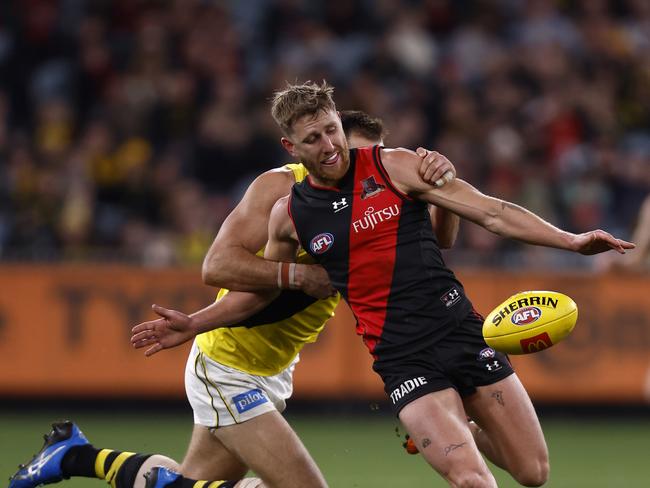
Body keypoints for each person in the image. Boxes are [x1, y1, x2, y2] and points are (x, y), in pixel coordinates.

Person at [132, 81, 634, 488]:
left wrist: (570, 241)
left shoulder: (397, 166)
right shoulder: (288, 214)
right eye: (313, 139)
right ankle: (438, 428)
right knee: (474, 482)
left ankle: (463, 429)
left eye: (331, 131)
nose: (328, 146)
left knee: (533, 473)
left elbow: (494, 213)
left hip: (463, 331)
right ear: (291, 146)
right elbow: (263, 296)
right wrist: (194, 323)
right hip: (403, 357)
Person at [10, 111, 458, 488]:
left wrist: (439, 191)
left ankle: (74, 455)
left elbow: (436, 245)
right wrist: (300, 275)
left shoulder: (377, 195)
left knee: (187, 479)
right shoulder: (283, 192)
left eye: (373, 159)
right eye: (356, 156)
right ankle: (73, 456)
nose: (364, 168)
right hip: (228, 364)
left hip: (274, 368)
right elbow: (216, 267)